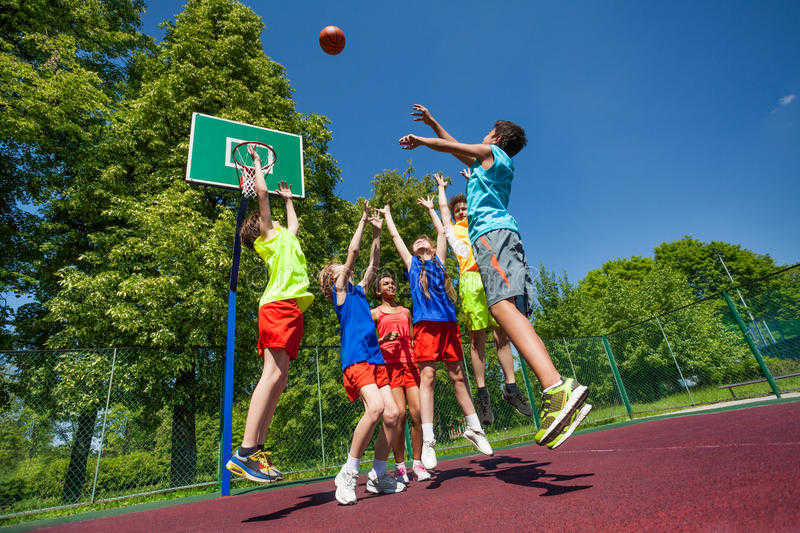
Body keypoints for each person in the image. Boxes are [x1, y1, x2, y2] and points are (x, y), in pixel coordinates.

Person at [399, 104, 591, 449]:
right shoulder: (492, 164)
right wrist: (433, 122)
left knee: (501, 309)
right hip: (504, 237)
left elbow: (451, 147)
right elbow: (457, 146)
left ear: (497, 138)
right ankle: (556, 386)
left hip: (491, 237)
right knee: (509, 313)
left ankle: (556, 386)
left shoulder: (492, 153)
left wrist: (422, 139)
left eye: (488, 131)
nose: (483, 135)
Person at [380, 200, 493, 470]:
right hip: (426, 326)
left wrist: (432, 208)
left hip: (448, 324)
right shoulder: (412, 265)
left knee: (458, 376)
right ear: (413, 249)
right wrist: (387, 215)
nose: (419, 242)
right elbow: (395, 237)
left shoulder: (440, 261)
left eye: (424, 240)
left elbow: (443, 231)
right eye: (416, 242)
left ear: (430, 246)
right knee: (428, 376)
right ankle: (429, 441)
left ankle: (475, 429)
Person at [225, 145, 314, 482]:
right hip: (278, 305)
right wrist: (258, 163)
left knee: (282, 378)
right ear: (260, 227)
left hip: (291, 307)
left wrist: (289, 199)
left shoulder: (284, 239)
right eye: (267, 217)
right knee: (271, 374)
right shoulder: (267, 238)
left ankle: (257, 451)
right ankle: (246, 450)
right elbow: (261, 191)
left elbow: (295, 226)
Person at [318, 203, 406, 505]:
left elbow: (372, 260)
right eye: (336, 268)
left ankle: (377, 474)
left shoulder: (359, 289)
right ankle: (348, 472)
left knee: (393, 413)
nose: (342, 267)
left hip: (376, 359)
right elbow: (353, 255)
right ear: (333, 279)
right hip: (356, 359)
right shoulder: (340, 293)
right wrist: (362, 221)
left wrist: (377, 232)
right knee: (375, 410)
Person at [433, 171, 532, 426]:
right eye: (459, 210)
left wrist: (471, 181)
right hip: (470, 281)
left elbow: (479, 202)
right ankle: (482, 394)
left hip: (492, 277)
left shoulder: (479, 227)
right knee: (477, 340)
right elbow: (444, 211)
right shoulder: (453, 231)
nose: (463, 212)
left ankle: (511, 387)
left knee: (503, 335)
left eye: (465, 209)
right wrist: (442, 188)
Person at [371, 272, 431, 482]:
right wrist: (384, 338)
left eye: (393, 283)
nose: (391, 286)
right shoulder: (375, 314)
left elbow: (414, 337)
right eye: (386, 284)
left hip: (410, 364)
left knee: (417, 413)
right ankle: (399, 466)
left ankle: (418, 463)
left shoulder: (405, 311)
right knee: (400, 416)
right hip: (390, 367)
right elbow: (367, 343)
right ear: (378, 291)